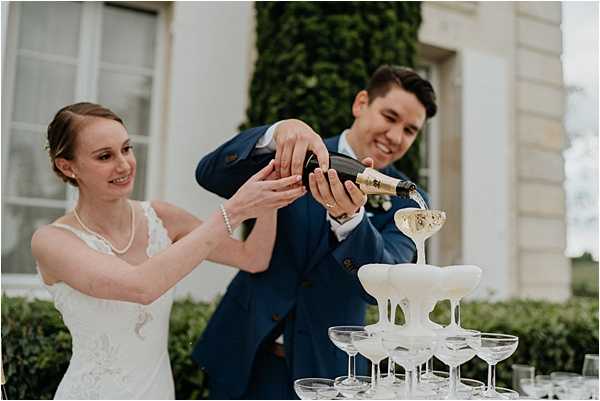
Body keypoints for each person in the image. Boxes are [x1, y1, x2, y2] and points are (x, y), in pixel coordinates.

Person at [192, 65, 438, 399]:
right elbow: (210, 175)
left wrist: (351, 222)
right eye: (389, 116)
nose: (395, 136)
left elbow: (386, 287)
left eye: (410, 130)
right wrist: (276, 132)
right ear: (361, 103)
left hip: (327, 374)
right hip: (243, 352)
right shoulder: (297, 152)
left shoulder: (407, 200)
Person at [31, 102, 306, 399]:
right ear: (67, 166)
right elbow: (141, 286)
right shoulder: (52, 241)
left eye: (126, 149)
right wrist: (233, 210)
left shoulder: (160, 217)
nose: (124, 165)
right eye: (105, 156)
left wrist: (270, 188)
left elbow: (253, 258)